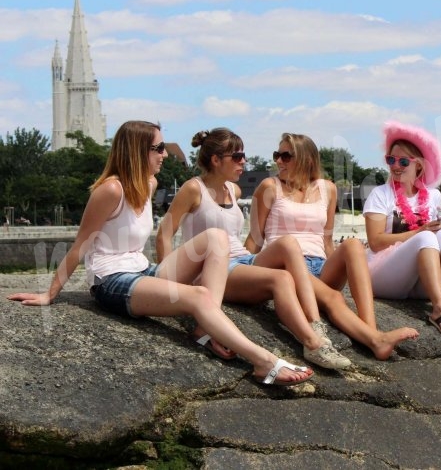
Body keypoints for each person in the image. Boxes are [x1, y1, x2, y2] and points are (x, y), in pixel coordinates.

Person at [7, 121, 312, 386]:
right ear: (138, 152)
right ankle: (263, 361)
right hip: (112, 280)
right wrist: (50, 294)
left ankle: (207, 326)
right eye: (159, 147)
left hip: (143, 269)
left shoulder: (149, 184)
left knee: (216, 238)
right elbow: (80, 245)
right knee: (197, 297)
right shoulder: (111, 190)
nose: (165, 154)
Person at [156, 128, 351, 370]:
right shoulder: (193, 189)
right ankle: (313, 344)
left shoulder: (233, 190)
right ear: (216, 160)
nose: (244, 162)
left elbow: (247, 238)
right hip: (213, 268)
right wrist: (168, 283)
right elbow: (165, 232)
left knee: (288, 244)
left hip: (241, 261)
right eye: (237, 157)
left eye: (243, 156)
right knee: (280, 279)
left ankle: (315, 323)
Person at [245, 133, 419, 360]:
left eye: (286, 156)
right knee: (334, 298)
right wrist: (237, 270)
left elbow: (327, 241)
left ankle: (371, 328)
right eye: (277, 155)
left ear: (306, 159)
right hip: (286, 265)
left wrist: (340, 263)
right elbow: (255, 239)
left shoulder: (328, 188)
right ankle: (375, 341)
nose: (278, 161)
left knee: (354, 245)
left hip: (319, 266)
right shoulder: (270, 186)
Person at [363, 120, 441, 340]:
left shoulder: (433, 196)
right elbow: (375, 241)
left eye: (403, 161)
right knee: (426, 237)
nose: (395, 166)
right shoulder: (380, 194)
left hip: (420, 281)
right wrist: (418, 232)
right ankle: (439, 308)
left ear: (419, 165)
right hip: (384, 274)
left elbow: (433, 239)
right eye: (390, 159)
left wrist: (431, 231)